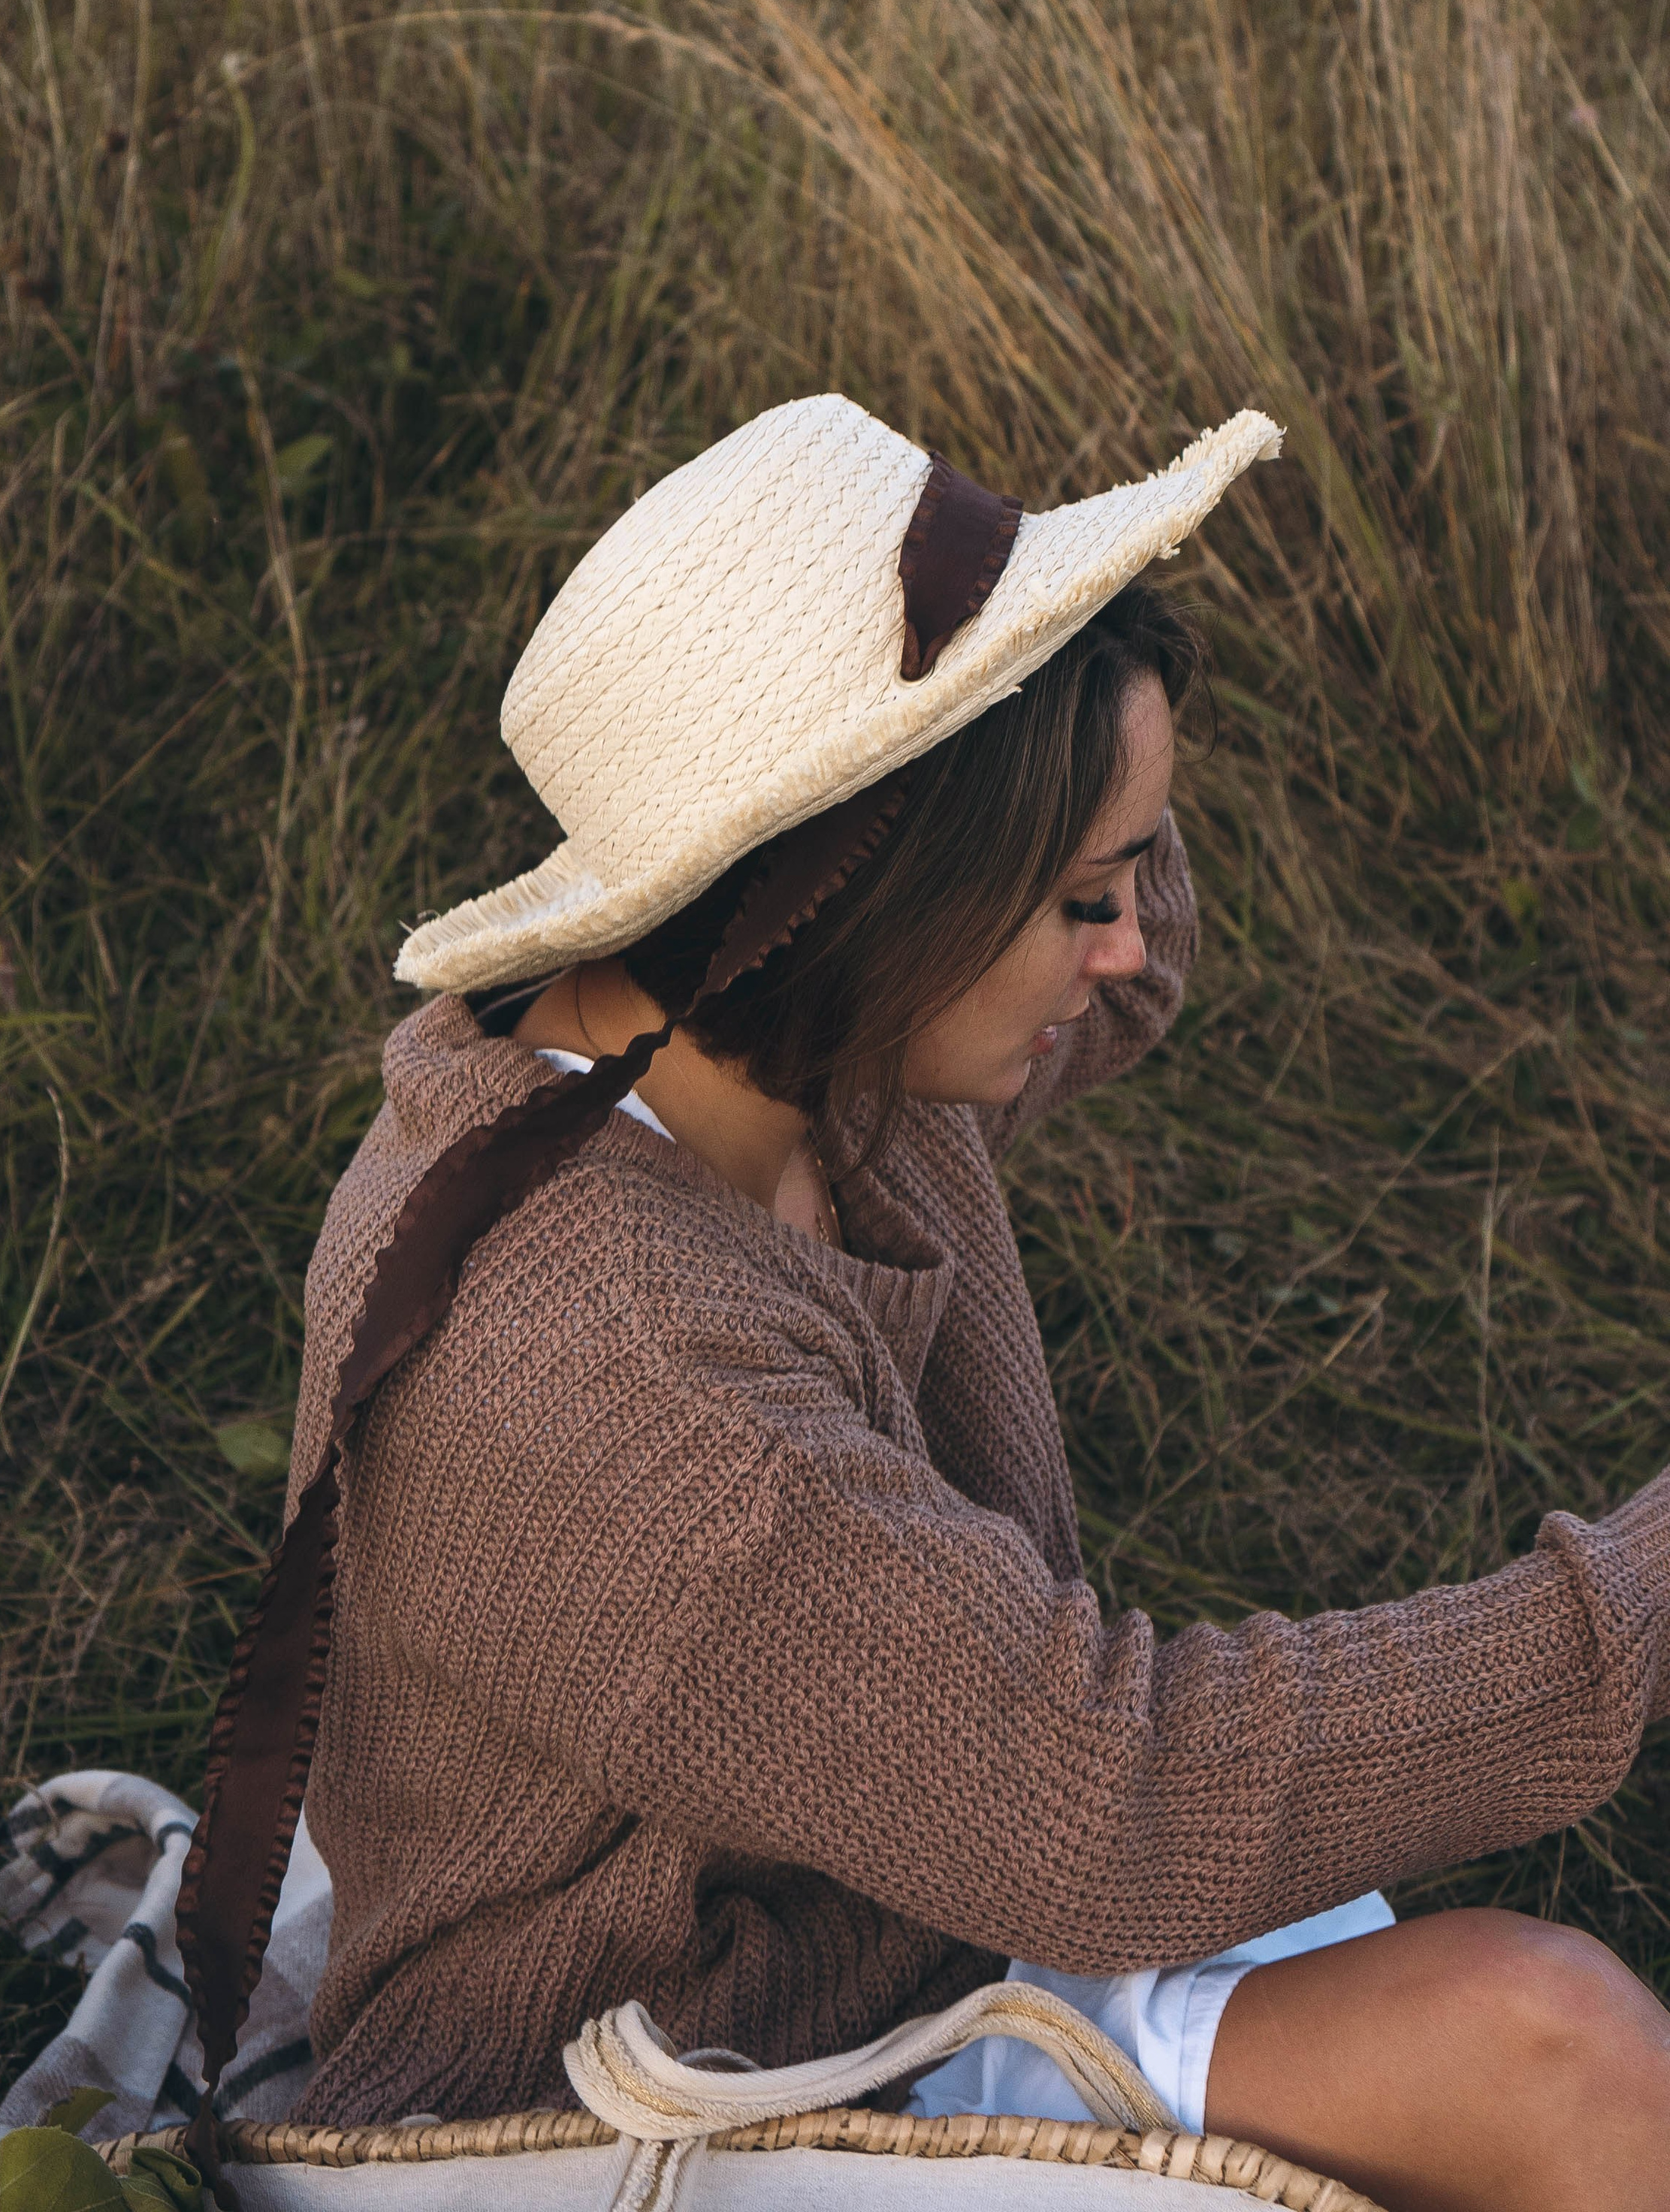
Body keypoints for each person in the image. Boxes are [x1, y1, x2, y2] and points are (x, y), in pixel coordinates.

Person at [279, 394, 1670, 2212]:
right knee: (1537, 2037)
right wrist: (1634, 1607)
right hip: (644, 2097)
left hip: (907, 1905)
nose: (1121, 948)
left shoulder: (772, 1046)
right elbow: (1110, 1793)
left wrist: (1062, 691)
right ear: (884, 897)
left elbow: (1128, 976)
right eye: (1077, 895)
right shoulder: (609, 1366)